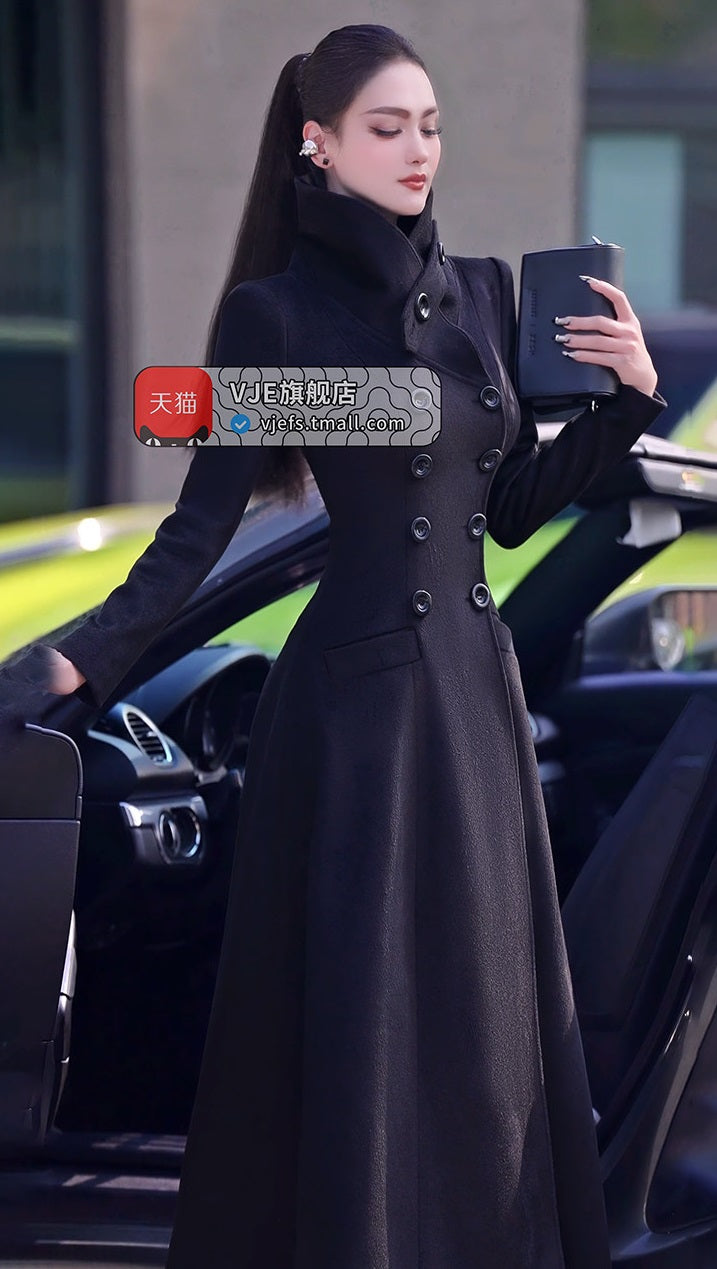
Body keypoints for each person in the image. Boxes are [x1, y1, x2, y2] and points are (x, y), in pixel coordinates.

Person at [2, 23, 666, 1269]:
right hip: (357, 720)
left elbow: (511, 511)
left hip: (473, 705)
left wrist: (629, 400)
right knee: (371, 1033)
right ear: (319, 143)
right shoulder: (276, 317)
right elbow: (198, 534)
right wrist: (76, 662)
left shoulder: (483, 292)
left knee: (480, 1030)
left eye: (431, 126)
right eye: (387, 127)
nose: (419, 150)